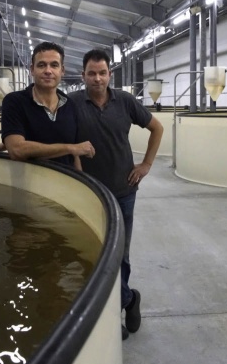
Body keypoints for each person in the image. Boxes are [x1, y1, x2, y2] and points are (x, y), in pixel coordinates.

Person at [69, 48, 163, 340]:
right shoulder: (71, 104)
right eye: (91, 73)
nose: (97, 78)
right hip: (89, 193)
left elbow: (156, 127)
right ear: (83, 75)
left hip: (123, 191)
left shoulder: (124, 101)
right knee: (90, 254)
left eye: (102, 72)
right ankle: (123, 303)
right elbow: (56, 138)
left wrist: (146, 164)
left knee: (120, 255)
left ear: (110, 74)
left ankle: (119, 307)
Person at [0, 41, 94, 169]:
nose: (48, 71)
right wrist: (69, 148)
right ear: (32, 70)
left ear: (62, 70)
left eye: (54, 65)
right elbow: (17, 151)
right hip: (30, 186)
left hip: (65, 185)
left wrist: (79, 182)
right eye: (41, 65)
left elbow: (75, 156)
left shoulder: (70, 106)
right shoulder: (14, 102)